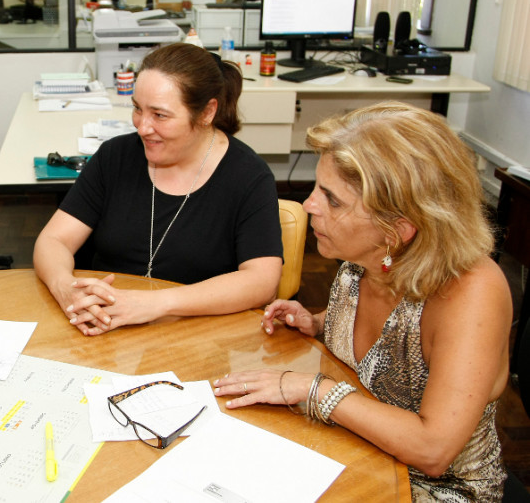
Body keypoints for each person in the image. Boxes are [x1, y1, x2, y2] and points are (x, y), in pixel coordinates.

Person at [213, 102, 511, 501]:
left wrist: (312, 390)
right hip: (360, 451)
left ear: (398, 229)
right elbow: (385, 347)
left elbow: (433, 450)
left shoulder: (473, 293)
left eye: (332, 200)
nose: (308, 205)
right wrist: (318, 322)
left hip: (433, 489)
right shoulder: (367, 258)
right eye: (318, 187)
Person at [33, 42, 283, 336]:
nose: (142, 127)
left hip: (198, 339)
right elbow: (53, 240)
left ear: (206, 112)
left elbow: (262, 281)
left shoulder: (248, 177)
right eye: (137, 109)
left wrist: (157, 304)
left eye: (160, 115)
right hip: (105, 334)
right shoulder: (115, 157)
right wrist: (66, 289)